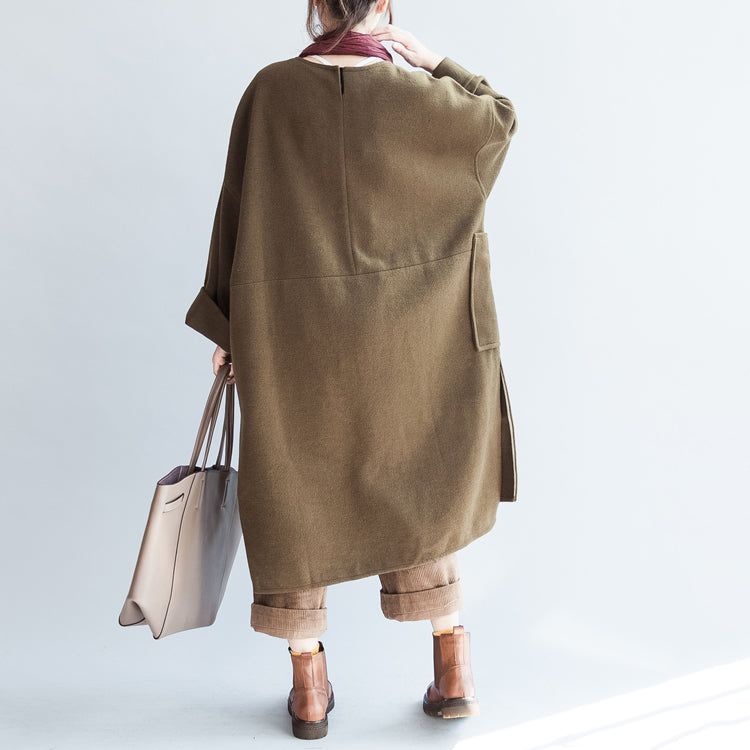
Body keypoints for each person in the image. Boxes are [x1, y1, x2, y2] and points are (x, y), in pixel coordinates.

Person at [185, 0, 518, 740]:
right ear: (385, 6)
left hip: (293, 339)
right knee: (421, 485)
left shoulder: (269, 92)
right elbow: (499, 119)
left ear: (316, 7)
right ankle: (453, 670)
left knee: (294, 493)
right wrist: (432, 61)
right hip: (410, 342)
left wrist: (228, 326)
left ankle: (309, 689)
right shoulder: (425, 100)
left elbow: (234, 210)